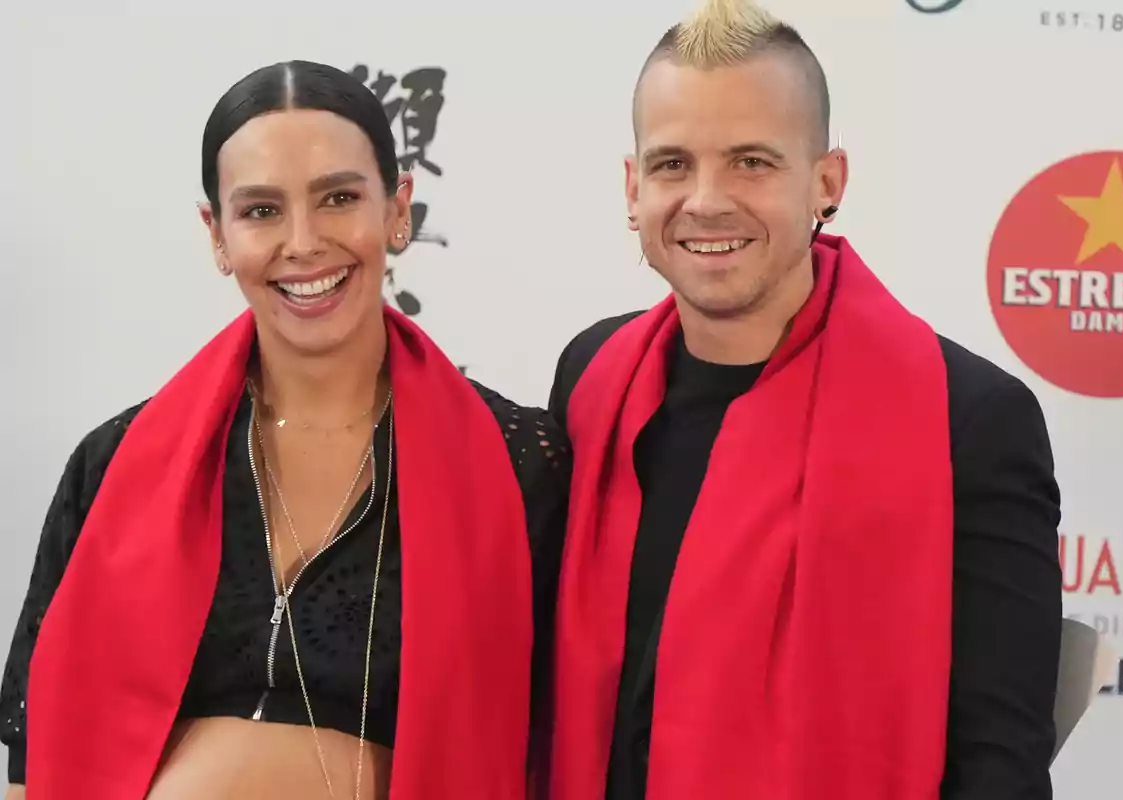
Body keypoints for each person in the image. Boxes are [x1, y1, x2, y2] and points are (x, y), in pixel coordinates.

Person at [0, 60, 568, 800]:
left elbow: (557, 749)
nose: (302, 243)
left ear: (398, 209)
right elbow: (33, 758)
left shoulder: (518, 462)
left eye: (338, 198)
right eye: (261, 210)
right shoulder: (112, 463)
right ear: (217, 233)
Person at [543, 1, 1063, 798]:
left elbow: (1000, 765)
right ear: (633, 185)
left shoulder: (971, 421)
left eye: (752, 161)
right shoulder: (592, 378)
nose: (706, 199)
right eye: (673, 163)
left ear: (827, 181)